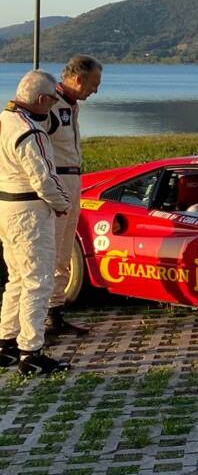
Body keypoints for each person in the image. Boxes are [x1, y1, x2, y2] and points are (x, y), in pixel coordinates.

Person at [0, 70, 71, 376]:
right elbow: (43, 178)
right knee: (38, 280)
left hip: (6, 205)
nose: (52, 107)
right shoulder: (31, 132)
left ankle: (6, 342)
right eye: (51, 101)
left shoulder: (4, 121)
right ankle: (31, 350)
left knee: (16, 277)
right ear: (42, 99)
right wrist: (62, 204)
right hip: (30, 210)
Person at [45, 54, 101, 337]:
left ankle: (55, 312)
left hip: (73, 178)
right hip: (58, 180)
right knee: (52, 250)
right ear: (78, 79)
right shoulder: (49, 105)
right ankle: (39, 315)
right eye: (93, 83)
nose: (95, 90)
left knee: (65, 250)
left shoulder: (70, 105)